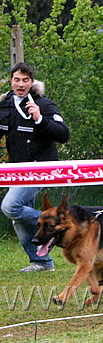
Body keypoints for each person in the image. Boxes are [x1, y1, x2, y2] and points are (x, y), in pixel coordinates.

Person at [0, 62, 70, 272]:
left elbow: (63, 135)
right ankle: (42, 262)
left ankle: (59, 222)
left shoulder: (45, 104)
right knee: (18, 219)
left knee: (10, 207)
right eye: (17, 80)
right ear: (11, 81)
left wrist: (40, 119)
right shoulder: (4, 105)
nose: (21, 84)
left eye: (25, 80)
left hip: (40, 168)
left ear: (32, 82)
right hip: (16, 170)